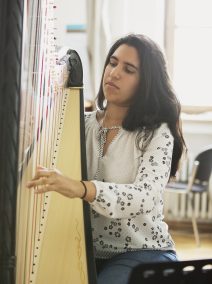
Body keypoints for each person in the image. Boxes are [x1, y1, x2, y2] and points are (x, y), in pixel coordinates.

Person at [27, 34, 186, 284]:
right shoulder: (81, 124)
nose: (115, 73)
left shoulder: (155, 133)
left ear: (146, 83)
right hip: (83, 247)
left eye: (129, 69)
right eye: (112, 63)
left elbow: (146, 196)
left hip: (141, 250)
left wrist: (82, 189)